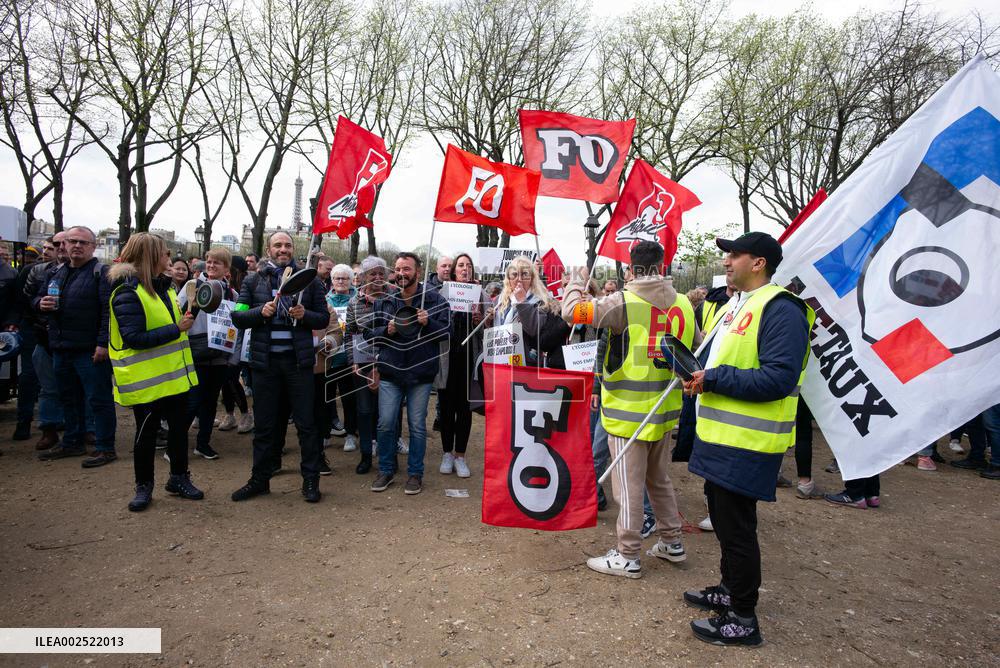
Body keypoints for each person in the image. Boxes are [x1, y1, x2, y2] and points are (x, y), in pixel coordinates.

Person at [682, 231, 814, 647]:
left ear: (758, 263)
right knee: (723, 520)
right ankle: (728, 589)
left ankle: (742, 616)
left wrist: (715, 379)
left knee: (737, 528)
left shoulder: (781, 309)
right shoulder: (738, 304)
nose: (725, 262)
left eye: (733, 255)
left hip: (747, 444)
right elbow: (720, 359)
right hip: (722, 437)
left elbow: (779, 377)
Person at [563, 241, 698, 580]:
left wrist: (576, 281)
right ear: (662, 265)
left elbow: (572, 313)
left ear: (631, 270)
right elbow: (697, 343)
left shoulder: (623, 302)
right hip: (666, 412)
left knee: (628, 487)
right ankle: (672, 542)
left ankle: (628, 554)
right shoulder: (683, 303)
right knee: (659, 480)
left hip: (628, 415)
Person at [229, 231, 330, 503]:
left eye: (287, 245)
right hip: (265, 365)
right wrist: (258, 312)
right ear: (268, 249)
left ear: (293, 249)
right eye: (278, 245)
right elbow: (237, 315)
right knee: (264, 426)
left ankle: (310, 481)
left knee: (306, 425)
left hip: (298, 364)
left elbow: (322, 317)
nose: (283, 249)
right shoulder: (252, 280)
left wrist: (304, 315)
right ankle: (259, 479)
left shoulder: (309, 281)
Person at [108, 233, 202, 511]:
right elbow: (134, 337)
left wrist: (185, 317)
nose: (169, 258)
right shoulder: (126, 292)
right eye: (164, 254)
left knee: (178, 433)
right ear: (150, 257)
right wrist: (177, 329)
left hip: (174, 379)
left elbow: (169, 325)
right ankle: (143, 486)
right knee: (146, 436)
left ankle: (178, 478)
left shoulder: (167, 288)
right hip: (146, 383)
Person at [34, 226, 118, 468]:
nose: (76, 246)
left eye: (83, 242)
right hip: (60, 348)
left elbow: (107, 312)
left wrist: (103, 343)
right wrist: (41, 303)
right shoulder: (56, 273)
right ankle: (72, 441)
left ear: (93, 247)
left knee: (98, 399)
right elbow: (35, 299)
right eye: (72, 241)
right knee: (68, 398)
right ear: (64, 245)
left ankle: (105, 446)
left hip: (90, 350)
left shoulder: (101, 273)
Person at [367, 252, 450, 494]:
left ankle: (415, 473)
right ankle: (386, 469)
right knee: (385, 424)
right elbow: (369, 335)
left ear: (418, 270)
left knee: (416, 426)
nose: (401, 274)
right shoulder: (385, 301)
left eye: (407, 269)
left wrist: (429, 323)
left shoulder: (434, 301)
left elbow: (447, 333)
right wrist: (387, 330)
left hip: (420, 374)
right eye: (398, 269)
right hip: (391, 373)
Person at [177, 247, 239, 460]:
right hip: (196, 351)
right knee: (192, 401)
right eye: (209, 262)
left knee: (211, 402)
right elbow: (177, 312)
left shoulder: (232, 294)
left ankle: (203, 443)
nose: (211, 266)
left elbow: (236, 324)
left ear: (227, 268)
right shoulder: (192, 286)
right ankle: (175, 446)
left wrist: (233, 356)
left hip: (220, 354)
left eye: (217, 263)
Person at [437, 253, 489, 478]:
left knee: (464, 409)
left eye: (468, 265)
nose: (465, 269)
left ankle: (461, 455)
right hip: (447, 358)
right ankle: (447, 453)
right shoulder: (443, 293)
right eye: (461, 265)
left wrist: (483, 319)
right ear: (453, 270)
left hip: (470, 357)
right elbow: (434, 323)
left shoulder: (481, 294)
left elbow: (491, 327)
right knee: (446, 408)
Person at [345, 256, 392, 474]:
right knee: (363, 411)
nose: (377, 277)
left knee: (388, 413)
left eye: (381, 273)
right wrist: (352, 361)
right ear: (363, 277)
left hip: (389, 365)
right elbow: (349, 333)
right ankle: (365, 455)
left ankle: (388, 455)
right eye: (372, 273)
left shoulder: (394, 299)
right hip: (361, 364)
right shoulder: (354, 302)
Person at [495, 256, 569, 368]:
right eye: (514, 275)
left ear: (532, 279)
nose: (519, 279)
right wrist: (488, 321)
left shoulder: (542, 302)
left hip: (526, 365)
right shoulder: (500, 301)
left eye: (524, 274)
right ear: (509, 279)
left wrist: (522, 302)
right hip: (501, 361)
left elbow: (534, 328)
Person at [324, 264, 358, 452]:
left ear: (351, 280)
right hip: (329, 357)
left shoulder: (357, 299)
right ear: (332, 281)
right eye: (337, 278)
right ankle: (326, 432)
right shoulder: (324, 300)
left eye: (344, 278)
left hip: (348, 356)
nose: (340, 281)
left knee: (348, 398)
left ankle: (351, 434)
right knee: (326, 397)